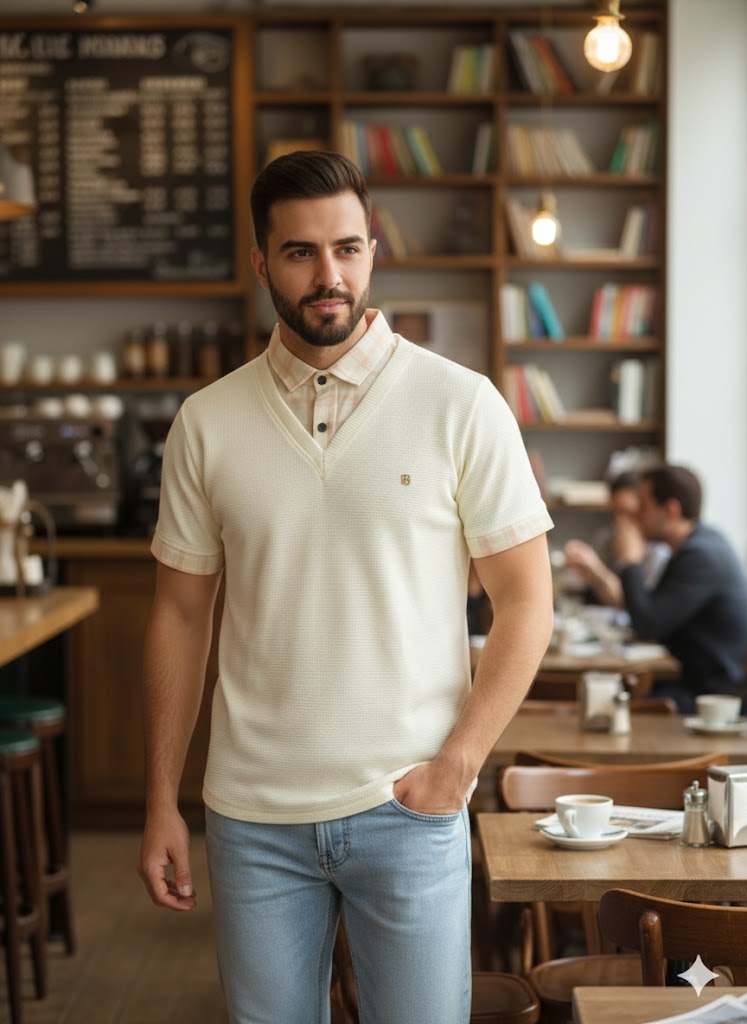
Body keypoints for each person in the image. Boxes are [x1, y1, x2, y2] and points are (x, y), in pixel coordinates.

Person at [136, 149, 554, 1024]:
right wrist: (160, 801)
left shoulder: (460, 404)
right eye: (299, 253)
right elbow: (179, 617)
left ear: (371, 252)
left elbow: (525, 602)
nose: (329, 275)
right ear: (261, 263)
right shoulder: (205, 422)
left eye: (348, 249)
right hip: (250, 819)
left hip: (408, 804)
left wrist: (458, 766)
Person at [612, 463, 747, 714]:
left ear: (671, 510)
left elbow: (647, 625)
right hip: (694, 682)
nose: (635, 516)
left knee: (617, 705)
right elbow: (651, 612)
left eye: (643, 505)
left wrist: (630, 563)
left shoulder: (700, 555)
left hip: (714, 698)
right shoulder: (699, 543)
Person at [563, 470, 670, 608]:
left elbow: (634, 608)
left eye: (628, 512)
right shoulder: (607, 538)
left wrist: (598, 568)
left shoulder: (659, 550)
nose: (619, 521)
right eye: (615, 512)